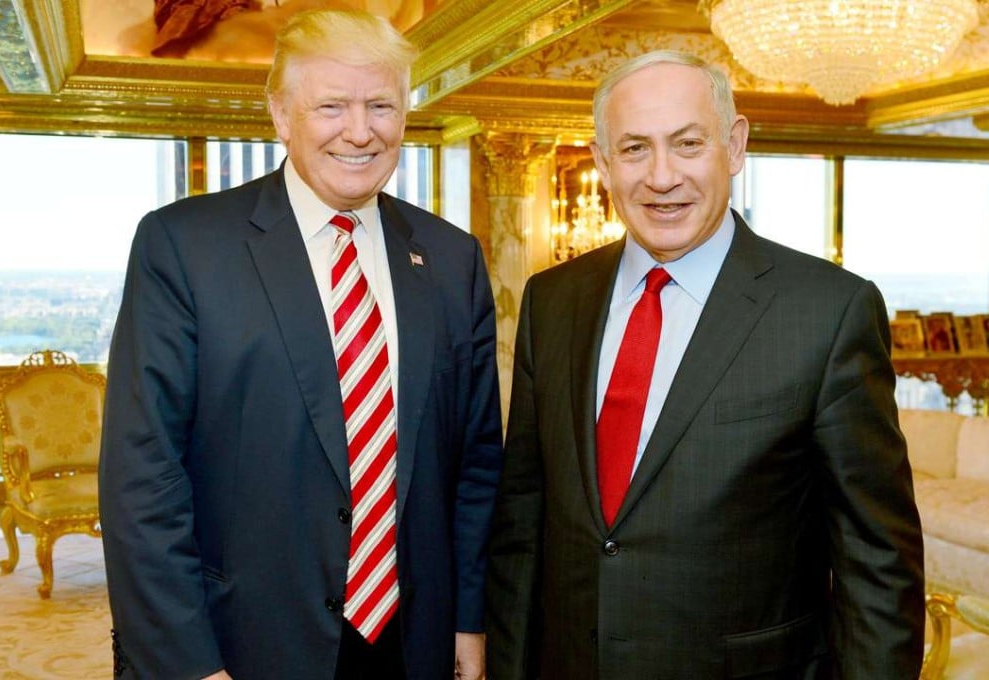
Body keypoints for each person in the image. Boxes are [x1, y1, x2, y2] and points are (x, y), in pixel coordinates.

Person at [485, 50, 925, 679]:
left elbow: (875, 562)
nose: (662, 177)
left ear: (735, 145)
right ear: (604, 162)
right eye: (635, 149)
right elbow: (522, 526)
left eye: (688, 144)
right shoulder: (553, 300)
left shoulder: (829, 311)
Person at [99, 9, 502, 680]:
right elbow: (143, 478)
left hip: (412, 640)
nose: (360, 130)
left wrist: (468, 616)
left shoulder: (452, 258)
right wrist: (188, 663)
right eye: (332, 106)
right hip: (241, 644)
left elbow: (476, 462)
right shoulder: (185, 247)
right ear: (282, 114)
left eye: (381, 105)